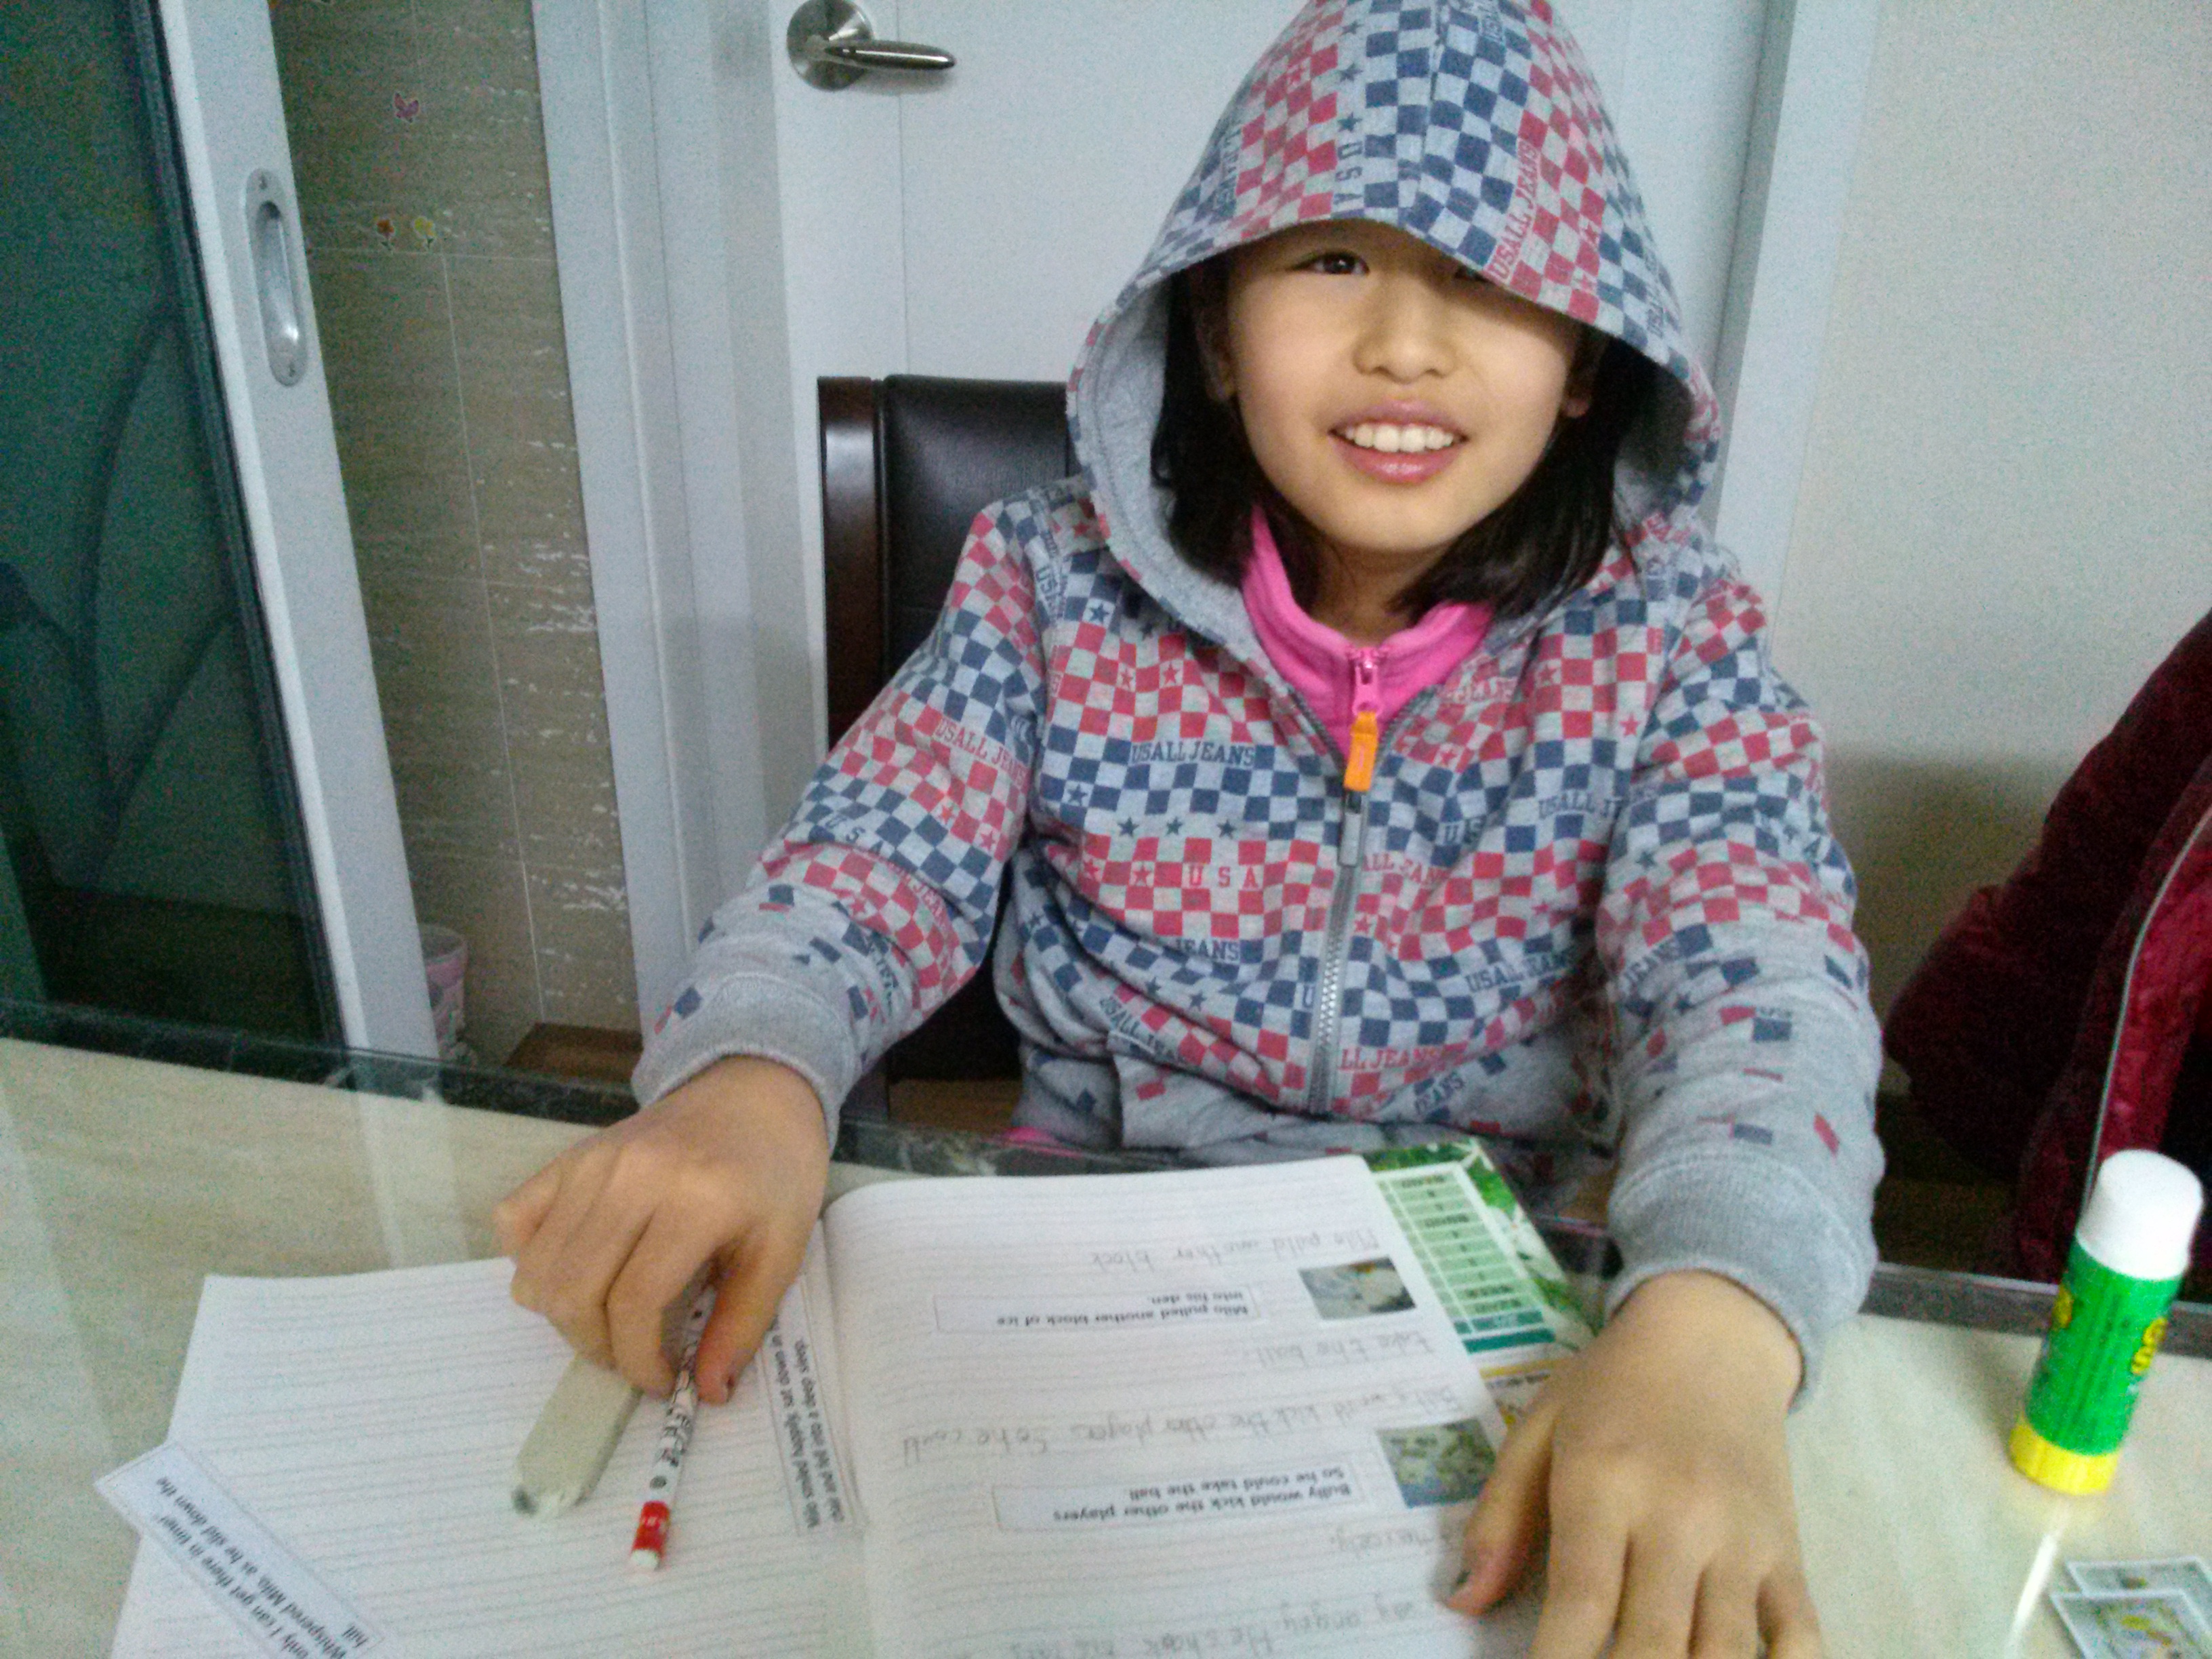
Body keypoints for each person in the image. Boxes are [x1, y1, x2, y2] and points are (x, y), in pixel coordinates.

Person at [497, 3, 1881, 1652]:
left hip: (1510, 1280)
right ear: (1216, 328)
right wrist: (754, 1072)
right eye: (1332, 261)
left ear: (1588, 358)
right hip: (1099, 1246)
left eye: (1488, 274)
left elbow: (1761, 985)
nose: (1407, 345)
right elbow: (872, 857)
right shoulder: (1046, 582)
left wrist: (1715, 1326)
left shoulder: (1675, 633)